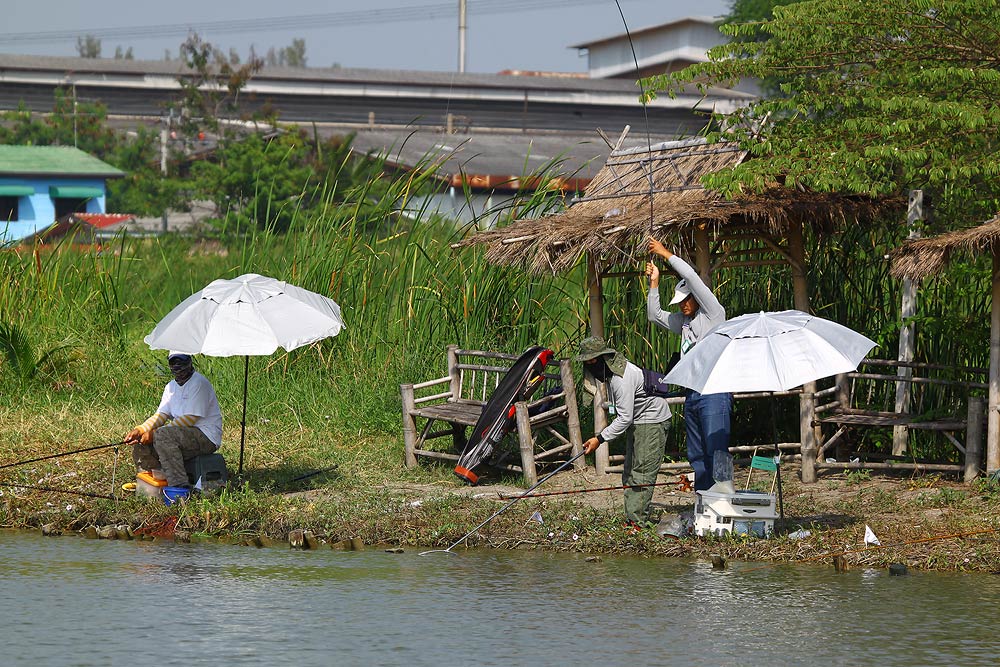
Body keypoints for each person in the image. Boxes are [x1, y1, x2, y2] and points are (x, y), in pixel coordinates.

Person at [646, 237, 733, 492]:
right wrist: (654, 284)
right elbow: (655, 316)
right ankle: (704, 499)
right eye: (680, 301)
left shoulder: (713, 314)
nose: (683, 304)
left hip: (715, 391)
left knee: (717, 451)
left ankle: (724, 497)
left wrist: (665, 254)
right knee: (696, 453)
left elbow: (692, 278)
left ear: (697, 297)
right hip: (692, 394)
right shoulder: (683, 321)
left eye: (687, 299)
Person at [576, 337, 671, 528]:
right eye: (587, 362)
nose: (591, 366)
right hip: (638, 421)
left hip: (652, 421)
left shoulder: (621, 378)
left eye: (593, 361)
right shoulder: (611, 374)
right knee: (629, 471)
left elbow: (624, 418)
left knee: (642, 472)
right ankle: (632, 519)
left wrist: (599, 439)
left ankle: (638, 524)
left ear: (605, 357)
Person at [125, 352, 223, 490]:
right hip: (181, 435)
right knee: (143, 441)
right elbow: (161, 415)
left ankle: (178, 487)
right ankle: (151, 482)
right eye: (174, 363)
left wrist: (155, 434)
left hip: (206, 436)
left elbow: (190, 419)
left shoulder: (199, 383)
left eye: (181, 362)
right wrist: (140, 430)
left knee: (162, 435)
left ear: (189, 361)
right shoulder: (170, 387)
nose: (178, 367)